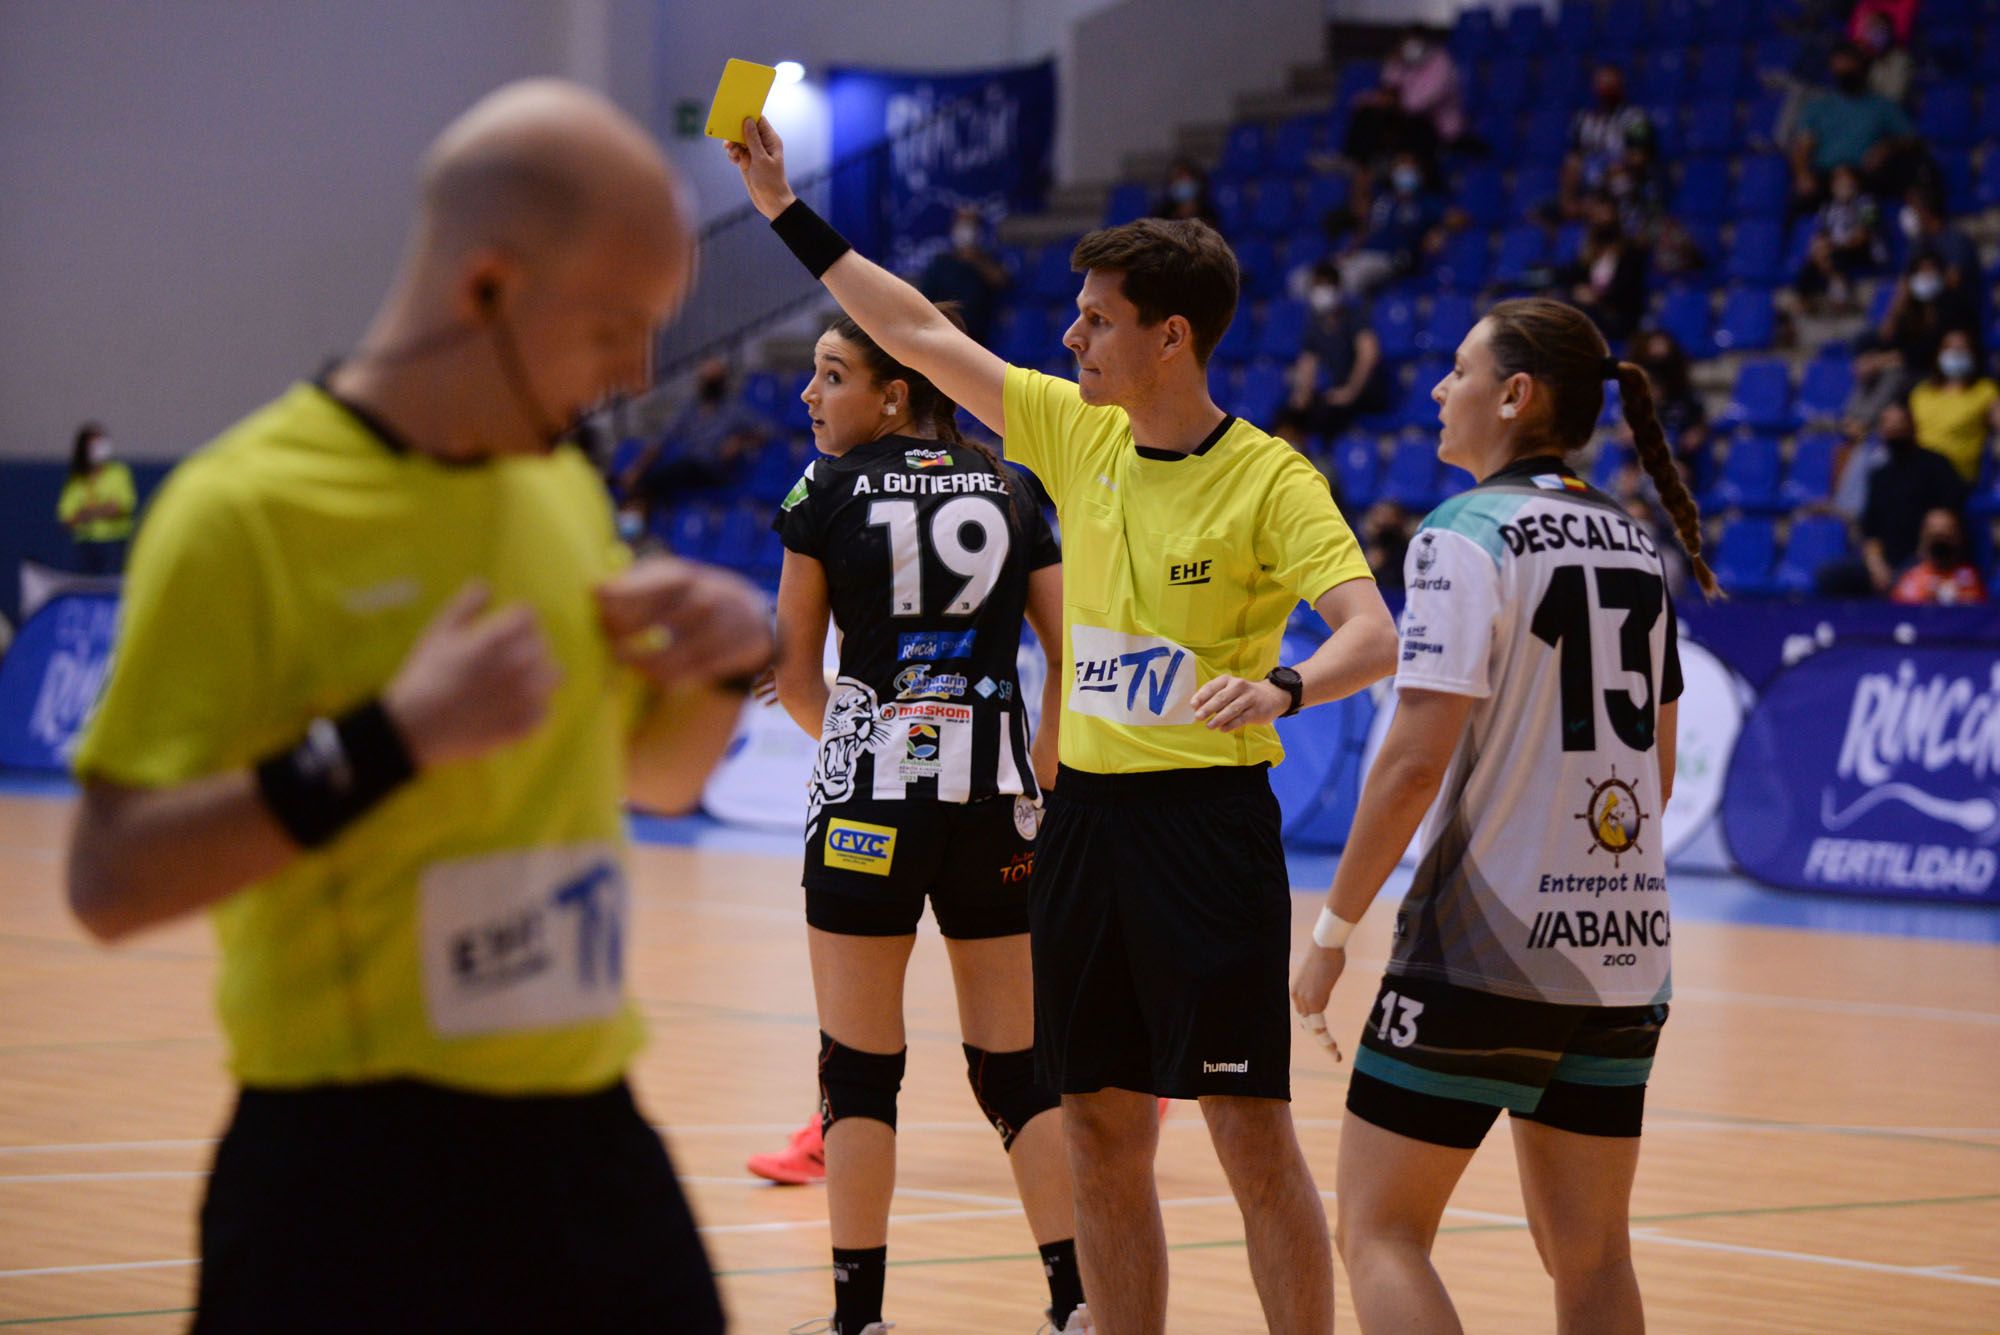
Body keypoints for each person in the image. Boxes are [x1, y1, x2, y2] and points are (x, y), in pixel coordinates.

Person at [63, 81, 767, 1333]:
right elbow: (111, 882)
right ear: (486, 287)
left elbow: (649, 781)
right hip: (350, 1177)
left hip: (591, 1142)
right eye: (614, 324)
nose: (637, 371)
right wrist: (393, 740)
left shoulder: (554, 489)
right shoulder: (245, 515)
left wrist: (722, 662)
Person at [726, 114, 1399, 1335]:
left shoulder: (1270, 479)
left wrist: (1290, 687)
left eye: (1094, 318)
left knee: (1249, 1136)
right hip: (1081, 825)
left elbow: (1370, 631)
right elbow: (916, 333)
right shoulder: (1069, 429)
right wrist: (782, 209)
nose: (1069, 334)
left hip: (1206, 830)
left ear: (1169, 336)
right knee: (1090, 1123)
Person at [1291, 297, 1715, 1335]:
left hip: (1477, 952)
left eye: (1456, 371)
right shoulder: (1630, 544)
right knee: (1590, 1258)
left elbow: (1408, 764)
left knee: (1380, 1233)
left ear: (1514, 396)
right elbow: (1652, 779)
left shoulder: (1461, 536)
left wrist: (1329, 935)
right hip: (1621, 955)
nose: (1438, 389)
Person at [766, 304, 1084, 1335]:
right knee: (1017, 1070)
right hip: (995, 802)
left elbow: (794, 673)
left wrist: (853, 744)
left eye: (829, 376)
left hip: (868, 805)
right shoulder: (1012, 483)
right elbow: (1072, 660)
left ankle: (858, 1320)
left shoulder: (823, 488)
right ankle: (1074, 1303)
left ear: (895, 390)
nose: (809, 397)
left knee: (857, 1069)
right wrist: (1036, 779)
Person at [1820, 401, 1970, 594]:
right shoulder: (1879, 475)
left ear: (1911, 425)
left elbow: (1947, 517)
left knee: (1906, 580)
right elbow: (1870, 531)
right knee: (1828, 576)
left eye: (1898, 423)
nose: (1893, 428)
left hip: (1923, 557)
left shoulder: (1936, 465)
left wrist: (1925, 554)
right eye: (1888, 424)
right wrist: (1876, 566)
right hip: (1884, 561)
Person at [1788, 42, 1920, 207]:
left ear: (1862, 66)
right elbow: (1802, 145)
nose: (1845, 71)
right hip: (1825, 176)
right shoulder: (1818, 106)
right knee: (1799, 199)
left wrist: (1886, 147)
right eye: (1839, 67)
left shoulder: (1883, 106)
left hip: (1865, 177)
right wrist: (1802, 174)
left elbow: (1910, 140)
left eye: (1850, 65)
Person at [1280, 262, 1388, 438]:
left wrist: (1351, 391)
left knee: (1326, 414)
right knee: (1288, 413)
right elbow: (1308, 362)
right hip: (1338, 390)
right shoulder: (1315, 324)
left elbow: (1368, 353)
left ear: (1337, 288)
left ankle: (1324, 459)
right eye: (1317, 286)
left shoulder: (1353, 317)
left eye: (1326, 285)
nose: (1321, 292)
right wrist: (1302, 396)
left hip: (1366, 390)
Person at [1343, 26, 1464, 174]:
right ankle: (1359, 170)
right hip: (1403, 121)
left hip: (1435, 127)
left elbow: (1417, 104)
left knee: (1413, 131)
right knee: (1367, 116)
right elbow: (1388, 88)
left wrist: (1388, 102)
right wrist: (1395, 64)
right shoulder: (1402, 62)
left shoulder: (1441, 63)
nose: (1409, 48)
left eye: (1415, 43)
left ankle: (1423, 185)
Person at [1335, 150, 1449, 295]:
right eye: (1400, 168)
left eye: (1409, 169)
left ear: (1419, 173)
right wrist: (1351, 250)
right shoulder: (1382, 198)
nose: (1404, 173)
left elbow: (1457, 218)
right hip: (1364, 255)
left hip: (1391, 259)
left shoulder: (1426, 203)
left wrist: (1440, 229)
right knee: (1309, 277)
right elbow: (1365, 224)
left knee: (1349, 278)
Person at [1907, 329, 2000, 484]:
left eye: (1962, 348)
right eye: (1950, 348)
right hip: (1918, 470)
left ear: (1973, 354)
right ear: (1939, 354)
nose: (1956, 353)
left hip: (1956, 475)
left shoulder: (1985, 390)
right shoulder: (1921, 392)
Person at [1562, 67, 1654, 219]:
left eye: (1611, 83)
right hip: (1591, 192)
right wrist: (1568, 200)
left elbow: (1639, 159)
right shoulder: (1583, 121)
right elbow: (1573, 161)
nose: (1606, 88)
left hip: (1626, 189)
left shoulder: (1636, 119)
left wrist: (1609, 171)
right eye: (1603, 83)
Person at [1557, 194, 1647, 342]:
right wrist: (1576, 290)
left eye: (1605, 215)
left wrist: (1597, 297)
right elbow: (1571, 277)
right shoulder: (1588, 253)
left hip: (1618, 315)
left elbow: (1629, 291)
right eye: (1596, 216)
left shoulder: (1631, 253)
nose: (1600, 219)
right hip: (1591, 311)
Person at [919, 206, 1011, 345]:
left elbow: (1001, 281)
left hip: (979, 334)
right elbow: (925, 299)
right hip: (945, 332)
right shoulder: (941, 262)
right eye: (962, 224)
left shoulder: (988, 258)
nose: (965, 230)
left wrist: (975, 260)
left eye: (970, 225)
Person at [57, 421, 137, 575]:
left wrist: (88, 513)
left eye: (102, 442)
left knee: (111, 586)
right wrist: (102, 510)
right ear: (84, 449)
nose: (100, 447)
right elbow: (66, 518)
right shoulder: (76, 479)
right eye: (94, 444)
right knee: (83, 587)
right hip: (84, 545)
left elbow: (121, 506)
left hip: (114, 544)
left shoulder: (119, 473)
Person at [1889, 507, 1989, 604]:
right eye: (1934, 536)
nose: (1941, 543)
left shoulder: (1971, 578)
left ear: (1958, 537)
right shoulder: (1910, 579)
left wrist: (1956, 597)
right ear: (1923, 538)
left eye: (1946, 535)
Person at [1152, 157, 1220, 230]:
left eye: (1184, 178)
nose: (1181, 183)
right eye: (1177, 178)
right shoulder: (1161, 216)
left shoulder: (1209, 216)